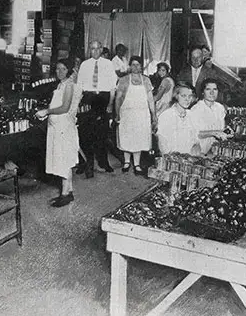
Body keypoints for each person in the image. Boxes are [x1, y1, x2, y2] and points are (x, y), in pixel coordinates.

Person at [36, 59, 82, 207]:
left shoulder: (68, 85)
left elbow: (65, 108)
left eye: (63, 69)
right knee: (63, 159)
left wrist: (47, 111)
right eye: (57, 69)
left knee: (64, 160)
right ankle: (68, 192)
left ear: (68, 70)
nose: (59, 71)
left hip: (63, 127)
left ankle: (65, 194)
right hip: (57, 127)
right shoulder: (61, 85)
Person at [77, 41, 116, 178]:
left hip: (103, 99)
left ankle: (104, 162)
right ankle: (89, 164)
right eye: (92, 49)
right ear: (90, 50)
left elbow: (112, 87)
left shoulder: (108, 64)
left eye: (97, 48)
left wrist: (110, 104)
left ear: (101, 49)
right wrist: (77, 103)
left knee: (102, 133)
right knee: (87, 133)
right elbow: (80, 86)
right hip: (88, 98)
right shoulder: (84, 65)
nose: (95, 51)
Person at [115, 56, 156, 175]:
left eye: (138, 64)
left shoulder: (146, 80)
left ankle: (137, 164)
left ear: (141, 66)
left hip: (142, 113)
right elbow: (118, 99)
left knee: (138, 138)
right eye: (133, 64)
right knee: (127, 137)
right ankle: (127, 162)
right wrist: (117, 114)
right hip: (127, 113)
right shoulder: (123, 80)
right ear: (129, 66)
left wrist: (153, 114)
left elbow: (150, 99)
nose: (136, 67)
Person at [157, 83, 200, 155]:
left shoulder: (192, 115)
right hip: (172, 160)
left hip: (188, 160)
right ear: (176, 96)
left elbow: (196, 142)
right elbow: (162, 145)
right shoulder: (166, 115)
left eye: (190, 96)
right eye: (183, 96)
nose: (187, 99)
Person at [191, 79, 231, 155]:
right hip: (199, 151)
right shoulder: (196, 109)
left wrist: (226, 131)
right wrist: (214, 133)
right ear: (203, 92)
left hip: (214, 151)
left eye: (215, 89)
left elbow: (221, 129)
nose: (212, 92)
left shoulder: (220, 108)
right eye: (208, 89)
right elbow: (196, 134)